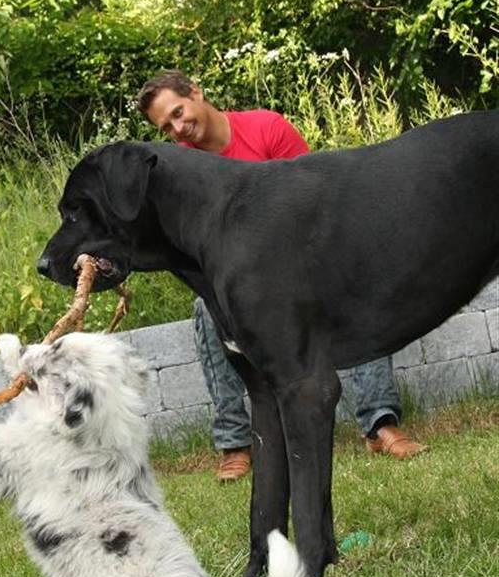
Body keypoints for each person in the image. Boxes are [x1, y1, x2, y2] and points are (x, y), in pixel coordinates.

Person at [136, 70, 427, 481]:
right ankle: (235, 444)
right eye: (167, 127)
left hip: (308, 264)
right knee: (205, 308)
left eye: (179, 113)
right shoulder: (189, 171)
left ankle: (380, 425)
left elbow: (314, 199)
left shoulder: (266, 128)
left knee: (358, 282)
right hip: (248, 289)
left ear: (197, 93)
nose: (179, 128)